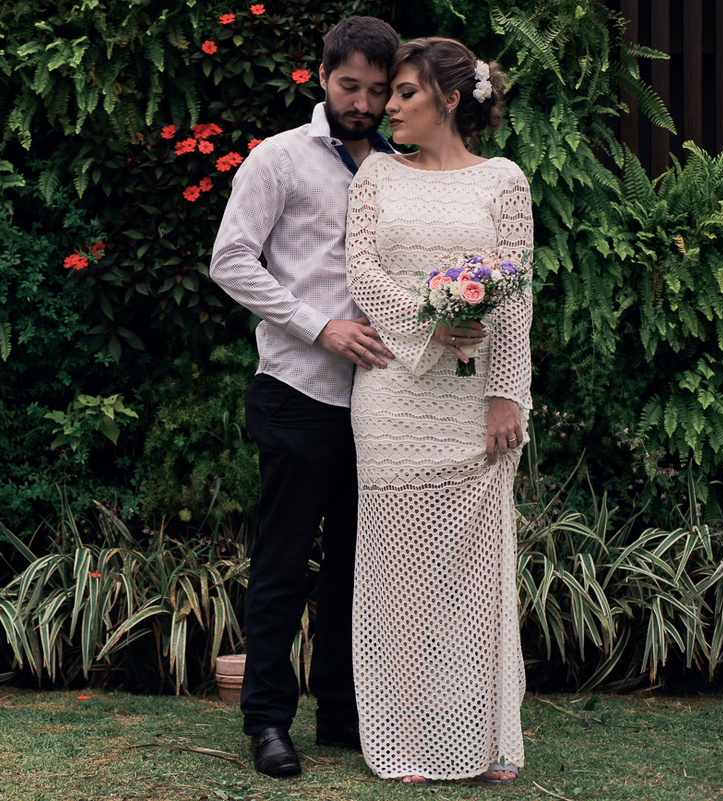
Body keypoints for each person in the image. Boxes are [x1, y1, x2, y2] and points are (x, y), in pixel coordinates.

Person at [209, 16, 401, 779]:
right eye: (349, 85)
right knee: (284, 564)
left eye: (378, 91)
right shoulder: (278, 159)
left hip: (382, 402)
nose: (362, 102)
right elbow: (230, 260)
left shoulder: (399, 167)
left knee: (357, 570)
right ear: (321, 75)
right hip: (296, 389)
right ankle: (266, 721)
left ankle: (343, 715)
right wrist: (317, 326)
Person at [344, 36, 532, 786]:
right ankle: (408, 740)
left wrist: (504, 394)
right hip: (391, 393)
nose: (388, 107)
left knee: (475, 574)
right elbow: (361, 271)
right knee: (402, 577)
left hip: (472, 402)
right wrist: (429, 314)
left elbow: (516, 295)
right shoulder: (375, 176)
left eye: (405, 94)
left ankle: (485, 738)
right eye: (390, 95)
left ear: (450, 100)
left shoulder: (504, 182)